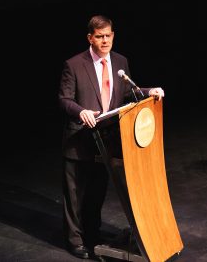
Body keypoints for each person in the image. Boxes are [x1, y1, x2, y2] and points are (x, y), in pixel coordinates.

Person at [58, 15, 165, 259]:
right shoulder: (74, 64)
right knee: (75, 197)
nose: (105, 40)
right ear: (90, 38)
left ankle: (93, 234)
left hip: (106, 141)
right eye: (99, 36)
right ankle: (74, 241)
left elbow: (129, 93)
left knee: (97, 192)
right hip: (79, 140)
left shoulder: (120, 61)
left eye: (108, 35)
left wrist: (150, 92)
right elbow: (64, 99)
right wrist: (81, 111)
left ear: (113, 35)